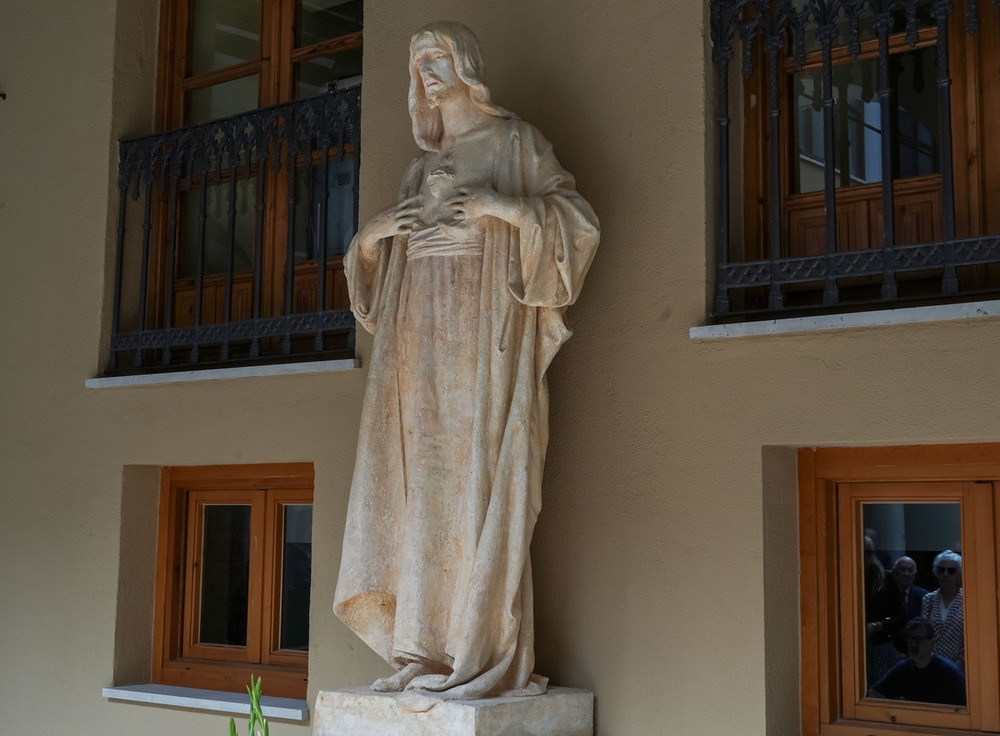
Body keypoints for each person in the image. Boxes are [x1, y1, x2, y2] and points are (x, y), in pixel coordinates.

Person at [332, 21, 600, 700]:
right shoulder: (419, 167)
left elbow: (577, 221)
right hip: (420, 338)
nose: (424, 69)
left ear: (466, 64)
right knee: (421, 489)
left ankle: (478, 650)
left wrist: (497, 206)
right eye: (416, 60)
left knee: (478, 481)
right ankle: (422, 649)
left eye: (436, 56)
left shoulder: (515, 142)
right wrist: (372, 236)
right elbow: (378, 282)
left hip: (485, 340)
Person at [868, 618, 966, 706]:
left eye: (918, 639)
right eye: (910, 639)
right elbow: (874, 693)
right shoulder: (903, 668)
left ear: (931, 642)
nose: (913, 644)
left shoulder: (949, 672)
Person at [920, 550, 964, 670]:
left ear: (959, 574)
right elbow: (924, 635)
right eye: (941, 569)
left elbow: (972, 638)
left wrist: (959, 664)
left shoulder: (968, 600)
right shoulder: (928, 599)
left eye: (951, 571)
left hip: (959, 667)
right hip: (931, 666)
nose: (945, 574)